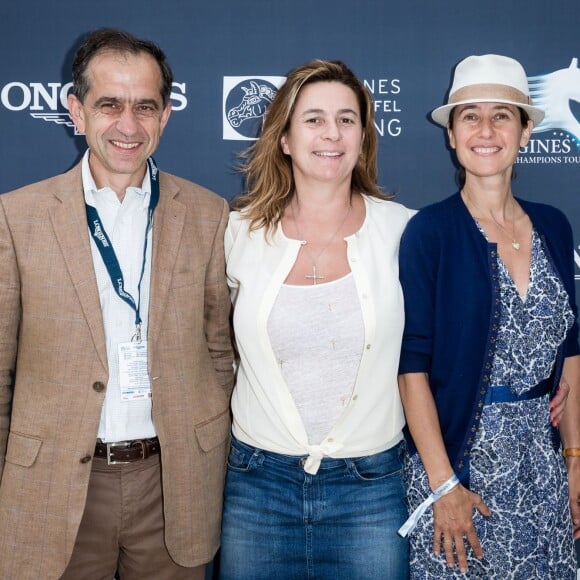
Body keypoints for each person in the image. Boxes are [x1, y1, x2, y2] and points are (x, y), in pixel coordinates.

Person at [0, 28, 234, 580]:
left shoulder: (207, 213)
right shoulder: (17, 218)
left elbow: (219, 351)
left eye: (145, 107)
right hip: (54, 483)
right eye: (110, 105)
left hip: (171, 484)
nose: (129, 126)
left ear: (166, 116)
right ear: (76, 112)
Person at [219, 59, 413, 579]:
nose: (332, 133)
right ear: (283, 138)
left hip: (372, 490)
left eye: (347, 119)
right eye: (314, 119)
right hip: (257, 486)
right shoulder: (237, 234)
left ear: (364, 136)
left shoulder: (404, 233)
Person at [398, 54, 580, 578]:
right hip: (460, 471)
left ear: (525, 132)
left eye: (502, 115)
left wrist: (573, 455)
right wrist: (444, 484)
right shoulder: (430, 232)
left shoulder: (554, 226)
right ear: (451, 135)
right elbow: (412, 370)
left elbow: (569, 349)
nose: (485, 129)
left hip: (542, 470)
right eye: (469, 115)